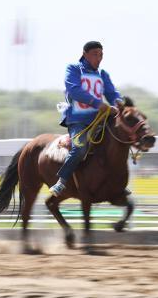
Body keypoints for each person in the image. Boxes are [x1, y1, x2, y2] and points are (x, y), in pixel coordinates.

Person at [49, 41, 124, 197]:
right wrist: (97, 103)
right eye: (95, 54)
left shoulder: (102, 74)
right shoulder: (73, 69)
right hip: (79, 120)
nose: (99, 58)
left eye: (101, 55)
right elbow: (74, 90)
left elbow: (112, 93)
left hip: (100, 119)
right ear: (85, 54)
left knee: (120, 141)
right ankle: (61, 181)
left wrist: (120, 104)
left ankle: (118, 182)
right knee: (80, 148)